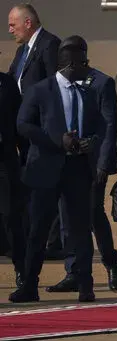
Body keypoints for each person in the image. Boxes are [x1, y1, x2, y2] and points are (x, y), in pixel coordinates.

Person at [9, 36, 105, 303]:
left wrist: (91, 142)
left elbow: (100, 125)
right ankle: (29, 285)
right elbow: (23, 125)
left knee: (80, 229)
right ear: (71, 64)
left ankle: (86, 285)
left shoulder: (88, 90)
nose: (88, 67)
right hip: (45, 170)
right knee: (38, 230)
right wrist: (57, 140)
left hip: (77, 170)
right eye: (84, 62)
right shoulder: (41, 90)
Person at [46, 61, 117, 292]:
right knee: (65, 216)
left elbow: (109, 126)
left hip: (92, 164)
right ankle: (74, 272)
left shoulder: (102, 82)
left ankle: (111, 263)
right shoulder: (58, 83)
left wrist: (102, 163)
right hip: (65, 161)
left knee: (92, 214)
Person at [7, 3, 63, 260]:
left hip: (41, 131)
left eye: (12, 24)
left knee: (47, 186)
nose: (10, 30)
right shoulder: (21, 51)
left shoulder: (50, 45)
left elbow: (56, 86)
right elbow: (11, 83)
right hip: (22, 130)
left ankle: (54, 244)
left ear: (27, 23)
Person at [0, 71, 24, 288]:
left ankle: (21, 270)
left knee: (11, 217)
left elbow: (19, 124)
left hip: (5, 163)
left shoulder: (6, 84)